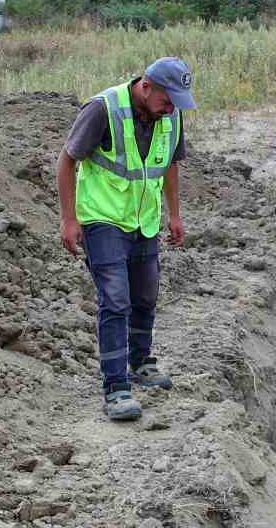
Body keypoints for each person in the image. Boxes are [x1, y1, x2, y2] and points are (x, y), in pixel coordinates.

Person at [57, 57, 194, 422]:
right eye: (168, 100)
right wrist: (69, 219)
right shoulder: (102, 110)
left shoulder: (170, 115)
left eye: (177, 103)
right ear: (146, 86)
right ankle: (116, 387)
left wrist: (175, 214)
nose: (172, 109)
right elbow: (67, 160)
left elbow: (170, 165)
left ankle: (140, 363)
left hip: (143, 221)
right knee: (115, 300)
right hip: (102, 219)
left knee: (145, 295)